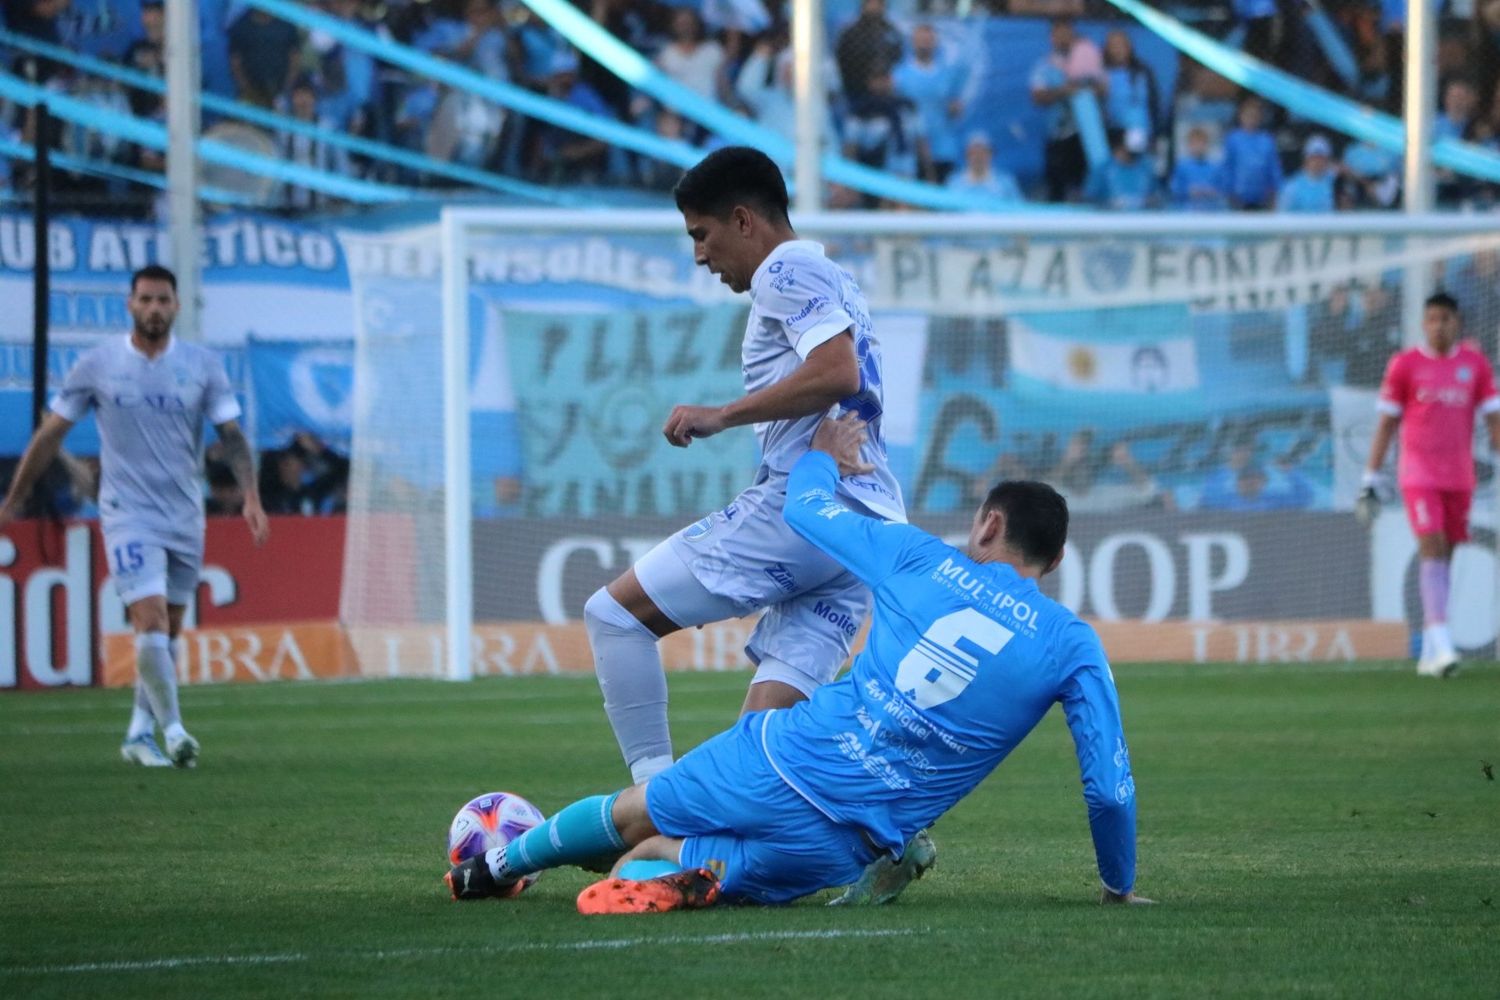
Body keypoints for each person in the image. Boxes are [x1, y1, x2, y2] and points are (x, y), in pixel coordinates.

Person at [446, 414, 1148, 914]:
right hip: (843, 843)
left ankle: (491, 869)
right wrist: (1117, 886)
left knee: (632, 816)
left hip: (781, 759)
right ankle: (683, 873)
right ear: (1053, 563)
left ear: (987, 526)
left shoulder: (918, 557)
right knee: (659, 858)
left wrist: (820, 453)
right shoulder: (1073, 644)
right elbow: (1109, 790)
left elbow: (808, 511)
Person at [583, 145, 915, 897]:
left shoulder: (785, 269)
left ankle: (656, 807)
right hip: (862, 531)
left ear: (743, 220)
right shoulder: (837, 279)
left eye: (702, 235)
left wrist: (720, 415)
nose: (700, 256)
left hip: (804, 508)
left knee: (613, 615)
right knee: (760, 749)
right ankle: (879, 832)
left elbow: (837, 372)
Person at [0, 266, 270, 766]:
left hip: (185, 512)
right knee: (146, 618)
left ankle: (138, 733)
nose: (154, 308)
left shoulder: (202, 365)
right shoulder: (98, 364)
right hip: (128, 511)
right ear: (130, 304)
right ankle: (174, 731)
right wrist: (15, 497)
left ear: (176, 307)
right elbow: (52, 433)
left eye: (163, 300)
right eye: (145, 299)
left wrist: (251, 496)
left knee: (166, 630)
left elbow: (231, 435)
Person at [1361, 292, 1500, 677]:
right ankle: (1442, 645)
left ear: (1457, 323)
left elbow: (1493, 420)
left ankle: (1429, 648)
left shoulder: (1475, 365)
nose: (1439, 325)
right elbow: (1387, 424)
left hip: (1460, 476)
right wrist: (1370, 476)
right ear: (1424, 323)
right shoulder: (1405, 365)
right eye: (1433, 319)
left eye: (1446, 319)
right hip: (1418, 474)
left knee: (1447, 553)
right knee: (1433, 544)